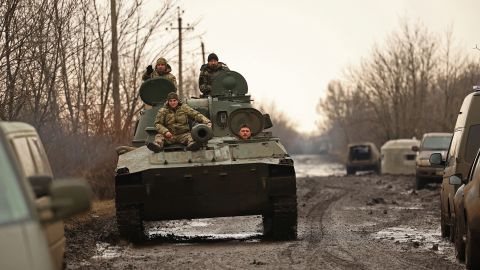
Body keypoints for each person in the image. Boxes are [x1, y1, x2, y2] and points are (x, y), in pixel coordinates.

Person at [146, 92, 212, 152]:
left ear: (177, 100)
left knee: (191, 137)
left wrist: (207, 122)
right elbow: (157, 124)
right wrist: (165, 132)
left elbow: (196, 114)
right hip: (169, 136)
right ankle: (157, 146)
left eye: (174, 100)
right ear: (168, 101)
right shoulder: (163, 111)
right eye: (170, 101)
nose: (173, 103)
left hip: (183, 134)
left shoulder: (184, 108)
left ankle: (192, 145)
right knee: (159, 137)